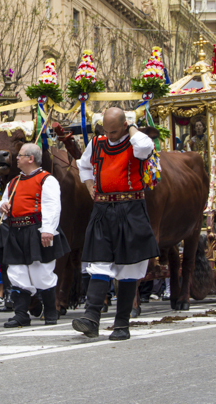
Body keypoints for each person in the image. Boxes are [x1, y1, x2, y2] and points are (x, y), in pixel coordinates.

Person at [73, 107, 159, 341]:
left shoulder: (135, 142)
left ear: (123, 126)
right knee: (99, 263)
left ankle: (122, 325)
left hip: (130, 209)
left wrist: (131, 128)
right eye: (105, 131)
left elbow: (145, 147)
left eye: (113, 131)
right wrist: (89, 185)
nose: (109, 136)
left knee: (128, 268)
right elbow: (84, 165)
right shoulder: (97, 143)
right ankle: (91, 318)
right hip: (102, 210)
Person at [0, 143, 68, 328]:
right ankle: (21, 314)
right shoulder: (13, 182)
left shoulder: (47, 180)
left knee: (41, 272)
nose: (16, 158)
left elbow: (53, 206)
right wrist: (2, 207)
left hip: (36, 230)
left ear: (30, 159)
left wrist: (48, 230)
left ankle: (51, 312)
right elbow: (3, 203)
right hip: (15, 231)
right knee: (17, 273)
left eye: (20, 155)